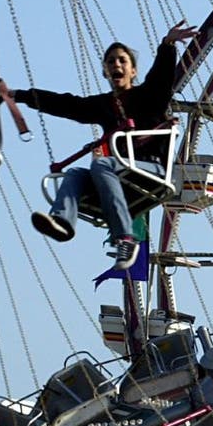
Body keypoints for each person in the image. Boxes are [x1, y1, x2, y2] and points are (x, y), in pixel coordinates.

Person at [13, 21, 197, 270]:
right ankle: (62, 222)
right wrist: (20, 96)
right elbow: (66, 104)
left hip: (149, 169)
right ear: (105, 71)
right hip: (120, 174)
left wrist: (167, 45)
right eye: (111, 62)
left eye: (122, 61)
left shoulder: (148, 96)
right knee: (76, 174)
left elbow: (161, 78)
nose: (116, 65)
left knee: (102, 165)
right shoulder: (103, 104)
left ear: (133, 71)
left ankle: (125, 237)